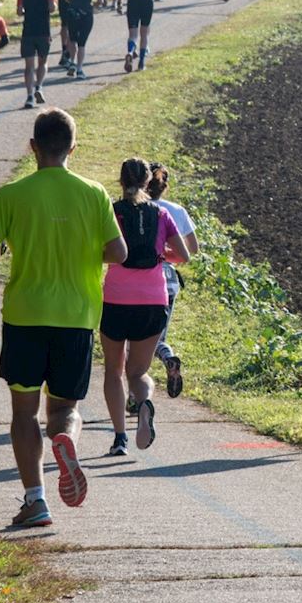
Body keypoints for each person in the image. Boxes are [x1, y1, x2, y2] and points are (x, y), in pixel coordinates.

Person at [0, 109, 127, 527]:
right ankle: (66, 440)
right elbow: (119, 253)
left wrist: (8, 245)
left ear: (33, 147)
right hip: (76, 317)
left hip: (25, 316)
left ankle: (35, 500)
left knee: (24, 413)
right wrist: (83, 250)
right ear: (72, 148)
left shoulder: (12, 194)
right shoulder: (93, 193)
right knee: (65, 408)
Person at [100, 158, 188, 457]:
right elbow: (184, 255)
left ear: (121, 180)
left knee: (113, 372)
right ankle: (144, 401)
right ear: (148, 180)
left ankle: (120, 438)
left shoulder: (111, 211)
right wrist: (162, 256)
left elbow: (100, 252)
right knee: (137, 372)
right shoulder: (161, 213)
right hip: (153, 301)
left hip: (116, 299)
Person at [147, 163, 197, 400]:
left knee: (136, 340)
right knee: (158, 336)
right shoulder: (177, 210)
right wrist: (167, 253)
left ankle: (136, 397)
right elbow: (193, 249)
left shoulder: (136, 208)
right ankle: (168, 358)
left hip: (140, 276)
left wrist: (154, 252)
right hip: (169, 280)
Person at [16, 0, 56, 107]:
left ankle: (29, 96)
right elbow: (51, 8)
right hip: (43, 31)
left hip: (28, 31)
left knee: (29, 66)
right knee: (43, 62)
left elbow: (19, 12)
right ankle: (39, 86)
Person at [62, 0, 104, 78]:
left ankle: (72, 62)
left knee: (72, 38)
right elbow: (100, 1)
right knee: (82, 43)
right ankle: (80, 69)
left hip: (73, 12)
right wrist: (93, 5)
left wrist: (69, 0)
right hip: (86, 13)